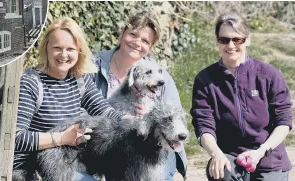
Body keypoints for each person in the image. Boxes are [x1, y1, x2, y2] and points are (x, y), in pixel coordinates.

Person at [13, 17, 127, 181]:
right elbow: (16, 138)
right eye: (57, 48)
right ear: (46, 48)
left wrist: (127, 119)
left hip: (66, 164)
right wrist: (61, 138)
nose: (64, 55)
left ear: (79, 50)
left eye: (70, 49)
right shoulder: (31, 82)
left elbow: (103, 110)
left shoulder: (79, 79)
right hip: (30, 168)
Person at [191, 12, 293, 181]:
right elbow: (203, 126)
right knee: (220, 172)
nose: (230, 45)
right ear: (217, 40)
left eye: (237, 39)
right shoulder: (205, 79)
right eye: (224, 39)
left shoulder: (268, 74)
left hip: (269, 156)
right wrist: (216, 154)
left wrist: (261, 151)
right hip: (229, 156)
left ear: (248, 40)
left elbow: (284, 122)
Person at [91, 10, 188, 180]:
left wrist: (151, 119)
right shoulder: (93, 67)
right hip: (106, 148)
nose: (137, 43)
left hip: (152, 154)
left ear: (151, 46)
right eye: (133, 34)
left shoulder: (161, 79)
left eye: (145, 40)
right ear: (122, 32)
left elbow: (176, 121)